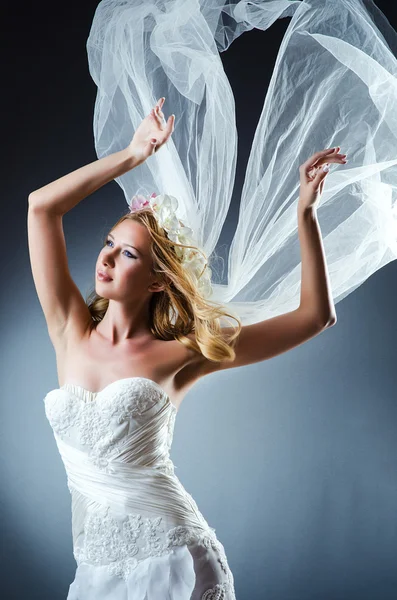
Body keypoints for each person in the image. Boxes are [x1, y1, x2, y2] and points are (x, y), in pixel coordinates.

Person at [27, 92, 342, 597]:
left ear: (156, 281)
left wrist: (306, 214)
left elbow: (315, 316)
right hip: (95, 568)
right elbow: (42, 208)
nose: (106, 259)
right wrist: (132, 156)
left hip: (174, 555)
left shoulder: (185, 353)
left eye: (127, 253)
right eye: (108, 243)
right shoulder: (69, 329)